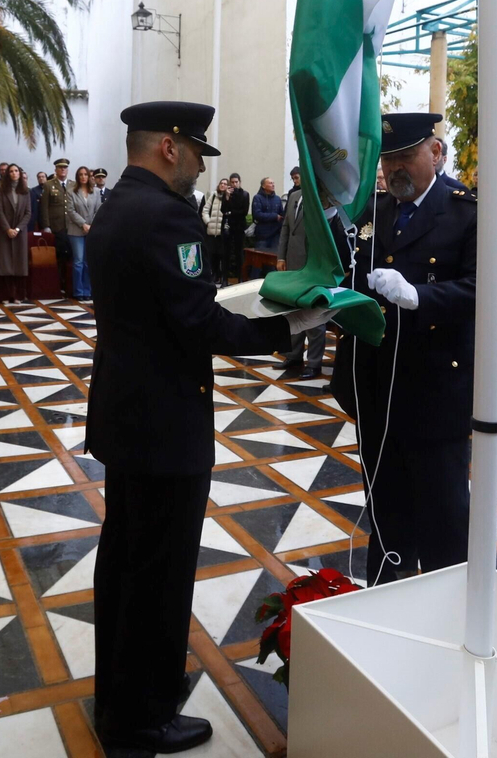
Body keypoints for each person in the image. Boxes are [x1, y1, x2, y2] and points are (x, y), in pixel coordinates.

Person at [88, 101, 318, 754]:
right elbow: (198, 320)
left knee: (126, 569)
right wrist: (285, 326)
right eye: (195, 152)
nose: (197, 166)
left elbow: (164, 306)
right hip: (164, 427)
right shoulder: (167, 214)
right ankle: (141, 722)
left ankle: (119, 704)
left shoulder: (117, 204)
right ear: (169, 146)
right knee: (158, 579)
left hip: (127, 418)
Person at [331, 112, 478, 583]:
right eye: (387, 157)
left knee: (442, 519)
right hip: (378, 387)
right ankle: (385, 603)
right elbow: (353, 276)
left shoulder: (467, 211)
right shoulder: (377, 210)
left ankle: (445, 614)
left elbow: (491, 291)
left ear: (435, 153)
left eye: (405, 156)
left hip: (433, 388)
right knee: (387, 514)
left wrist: (421, 296)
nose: (394, 168)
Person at [276, 169, 323, 378]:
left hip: (313, 265)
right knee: (292, 311)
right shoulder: (294, 196)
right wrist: (281, 257)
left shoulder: (322, 198)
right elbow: (286, 228)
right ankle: (294, 354)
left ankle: (314, 362)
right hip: (293, 262)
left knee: (314, 314)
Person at [0, 164, 31, 301]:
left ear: (20, 174)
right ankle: (6, 295)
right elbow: (0, 212)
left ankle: (19, 295)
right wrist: (8, 229)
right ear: (7, 174)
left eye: (16, 171)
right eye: (11, 171)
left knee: (19, 263)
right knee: (5, 263)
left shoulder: (25, 192)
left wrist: (17, 229)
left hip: (20, 232)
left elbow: (28, 213)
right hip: (4, 231)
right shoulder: (1, 190)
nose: (14, 173)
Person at [68, 165, 101, 300]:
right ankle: (78, 291)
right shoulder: (71, 192)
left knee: (88, 262)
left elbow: (98, 210)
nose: (83, 177)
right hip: (76, 231)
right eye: (80, 174)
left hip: (92, 230)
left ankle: (87, 291)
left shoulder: (97, 192)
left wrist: (91, 225)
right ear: (77, 176)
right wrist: (83, 224)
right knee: (78, 261)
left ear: (89, 176)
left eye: (85, 174)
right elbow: (71, 211)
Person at [43, 158, 75, 293]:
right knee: (60, 256)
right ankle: (60, 285)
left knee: (72, 256)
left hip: (72, 226)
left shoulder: (73, 184)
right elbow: (44, 207)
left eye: (65, 167)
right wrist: (46, 225)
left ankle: (70, 286)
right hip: (57, 226)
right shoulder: (49, 185)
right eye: (60, 167)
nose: (63, 170)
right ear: (55, 170)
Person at [201, 178, 229, 284]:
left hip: (222, 232)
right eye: (221, 183)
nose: (222, 185)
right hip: (211, 232)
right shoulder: (213, 196)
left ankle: (221, 275)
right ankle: (214, 275)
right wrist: (208, 222)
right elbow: (205, 210)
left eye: (225, 184)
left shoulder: (228, 197)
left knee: (221, 254)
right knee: (212, 255)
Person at [222, 172, 250, 282]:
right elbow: (223, 210)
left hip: (239, 227)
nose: (234, 184)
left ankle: (240, 278)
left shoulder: (245, 194)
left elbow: (244, 211)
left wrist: (230, 212)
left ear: (240, 182)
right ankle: (225, 279)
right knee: (226, 253)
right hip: (228, 227)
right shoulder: (227, 194)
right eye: (232, 182)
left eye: (236, 182)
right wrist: (227, 197)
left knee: (239, 253)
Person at [251, 176, 284, 253]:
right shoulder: (257, 198)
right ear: (263, 186)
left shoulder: (278, 199)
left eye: (273, 183)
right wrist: (274, 216)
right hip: (262, 236)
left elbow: (282, 215)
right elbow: (257, 215)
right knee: (260, 259)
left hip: (275, 236)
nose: (273, 185)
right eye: (270, 183)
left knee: (274, 259)